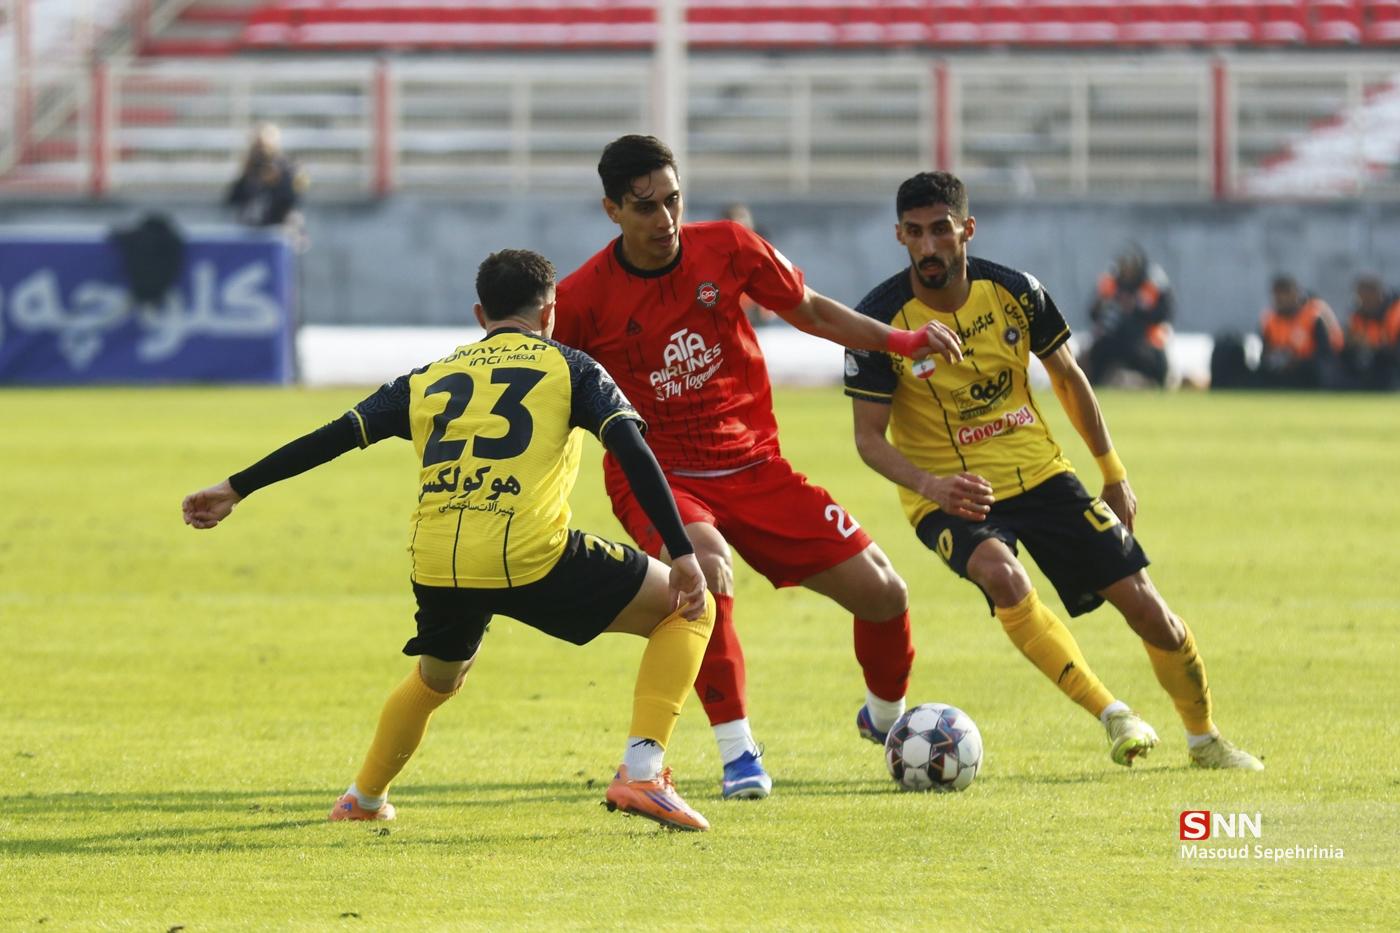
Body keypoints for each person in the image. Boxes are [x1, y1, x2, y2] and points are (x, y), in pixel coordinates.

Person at [182, 249, 719, 831]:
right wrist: (681, 551)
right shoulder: (573, 368)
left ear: (479, 314)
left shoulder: (427, 377)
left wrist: (236, 487)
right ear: (549, 313)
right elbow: (633, 451)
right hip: (528, 554)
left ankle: (363, 799)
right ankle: (643, 772)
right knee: (688, 609)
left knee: (436, 680)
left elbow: (333, 437)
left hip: (437, 560)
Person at [551, 135, 963, 799]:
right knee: (706, 569)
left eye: (673, 200)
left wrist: (900, 339)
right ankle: (738, 752)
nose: (665, 219)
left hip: (753, 465)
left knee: (886, 594)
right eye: (646, 206)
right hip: (659, 476)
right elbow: (550, 392)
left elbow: (811, 310)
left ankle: (887, 721)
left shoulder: (729, 247)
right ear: (612, 211)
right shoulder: (582, 298)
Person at [844, 171, 1263, 771]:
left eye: (940, 230)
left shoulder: (1016, 292)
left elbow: (1067, 377)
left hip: (1041, 474)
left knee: (1150, 612)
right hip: (952, 495)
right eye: (915, 232)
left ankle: (1205, 740)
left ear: (967, 229)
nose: (928, 246)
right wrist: (932, 486)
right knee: (1002, 576)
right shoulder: (878, 321)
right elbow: (867, 439)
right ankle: (1113, 714)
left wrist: (1113, 472)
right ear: (899, 235)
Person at [1083, 243, 1174, 388]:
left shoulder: (1152, 283)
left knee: (1154, 359)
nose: (1128, 271)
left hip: (1143, 339)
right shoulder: (1111, 282)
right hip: (1113, 337)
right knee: (1096, 353)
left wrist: (1137, 310)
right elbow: (1094, 313)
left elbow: (1164, 312)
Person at [1257, 275, 1344, 389]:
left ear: (1295, 294)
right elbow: (1264, 351)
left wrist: (1297, 361)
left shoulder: (1314, 314)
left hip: (1309, 367)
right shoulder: (1270, 319)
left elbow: (1326, 352)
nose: (1281, 299)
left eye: (1285, 294)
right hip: (1281, 367)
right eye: (1277, 295)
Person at [225, 122, 308, 235]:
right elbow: (232, 199)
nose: (261, 152)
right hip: (252, 230)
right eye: (257, 147)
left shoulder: (288, 168)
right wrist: (247, 177)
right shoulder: (251, 170)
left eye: (263, 146)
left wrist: (278, 182)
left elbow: (295, 199)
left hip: (281, 231)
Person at [1342, 274, 1400, 390]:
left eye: (1366, 297)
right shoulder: (1358, 315)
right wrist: (1351, 343)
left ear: (1377, 294)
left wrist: (1374, 346)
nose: (1362, 302)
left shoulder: (1396, 312)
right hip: (1368, 365)